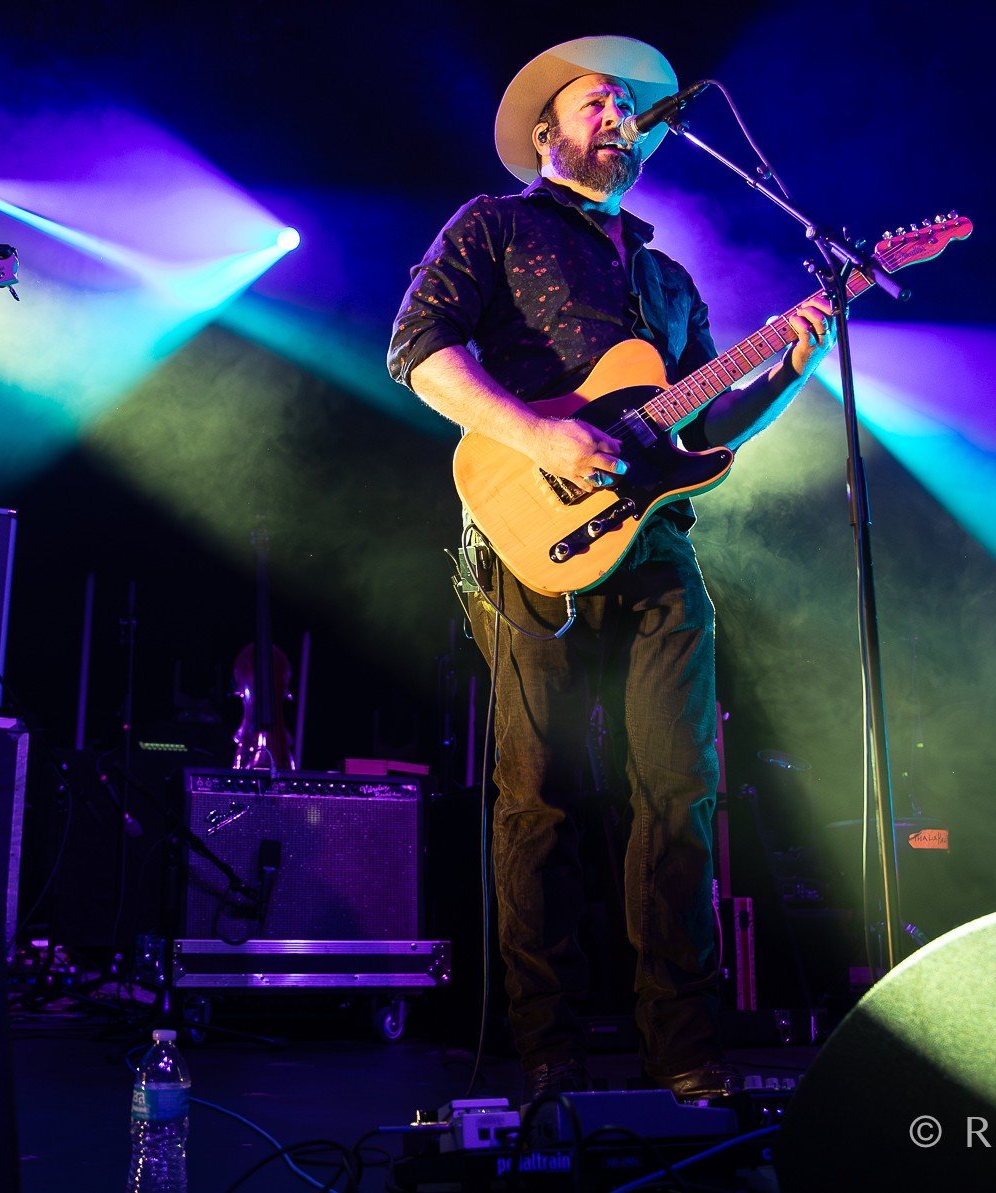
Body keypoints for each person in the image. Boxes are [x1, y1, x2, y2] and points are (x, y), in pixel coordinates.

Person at [386, 35, 833, 1102]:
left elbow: (700, 429)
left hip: (656, 547)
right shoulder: (491, 225)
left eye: (633, 107)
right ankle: (542, 1045)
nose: (621, 116)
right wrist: (540, 440)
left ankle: (682, 1047)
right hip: (524, 531)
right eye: (598, 101)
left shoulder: (664, 276)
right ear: (546, 129)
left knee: (680, 790)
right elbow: (416, 349)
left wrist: (786, 367)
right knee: (534, 794)